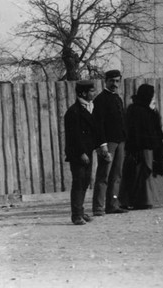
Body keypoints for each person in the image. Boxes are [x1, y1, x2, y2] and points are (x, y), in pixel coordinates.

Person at [64, 79, 106, 225]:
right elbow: (73, 136)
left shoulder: (91, 108)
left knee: (86, 181)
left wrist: (100, 146)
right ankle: (76, 215)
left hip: (88, 152)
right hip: (78, 154)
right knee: (79, 182)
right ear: (83, 93)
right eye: (91, 91)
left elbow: (96, 130)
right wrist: (81, 152)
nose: (94, 93)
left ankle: (81, 211)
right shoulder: (73, 112)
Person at [122, 83, 163, 210]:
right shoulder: (137, 110)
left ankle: (145, 199)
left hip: (147, 146)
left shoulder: (142, 109)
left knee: (145, 172)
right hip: (142, 147)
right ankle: (142, 200)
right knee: (143, 172)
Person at [91, 69, 126, 216]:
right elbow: (97, 124)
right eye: (112, 81)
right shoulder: (100, 100)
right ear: (106, 81)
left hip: (120, 141)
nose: (114, 84)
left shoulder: (118, 98)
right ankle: (98, 207)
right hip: (108, 143)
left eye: (117, 81)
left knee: (117, 175)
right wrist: (102, 144)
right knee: (103, 175)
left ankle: (112, 204)